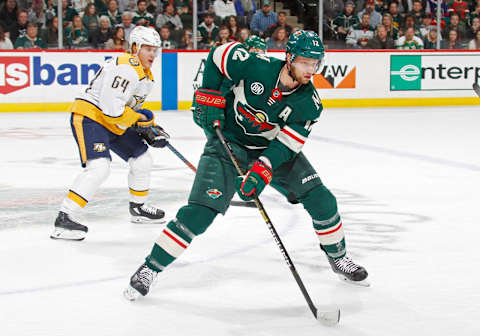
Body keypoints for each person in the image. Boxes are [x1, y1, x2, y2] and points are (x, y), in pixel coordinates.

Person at [124, 30, 369, 300]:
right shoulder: (257, 65)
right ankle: (150, 268)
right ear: (289, 58)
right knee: (200, 212)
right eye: (305, 62)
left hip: (270, 148)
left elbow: (286, 146)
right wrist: (209, 96)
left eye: (315, 64)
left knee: (322, 200)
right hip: (228, 144)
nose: (311, 70)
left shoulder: (310, 104)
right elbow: (218, 56)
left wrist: (261, 172)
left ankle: (338, 257)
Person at [51, 26, 168, 241]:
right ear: (135, 48)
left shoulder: (146, 76)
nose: (153, 54)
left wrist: (147, 126)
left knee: (142, 159)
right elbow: (112, 109)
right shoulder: (126, 67)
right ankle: (65, 217)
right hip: (91, 118)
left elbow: (126, 110)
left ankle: (139, 208)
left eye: (155, 49)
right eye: (148, 49)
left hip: (110, 121)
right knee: (99, 168)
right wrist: (141, 123)